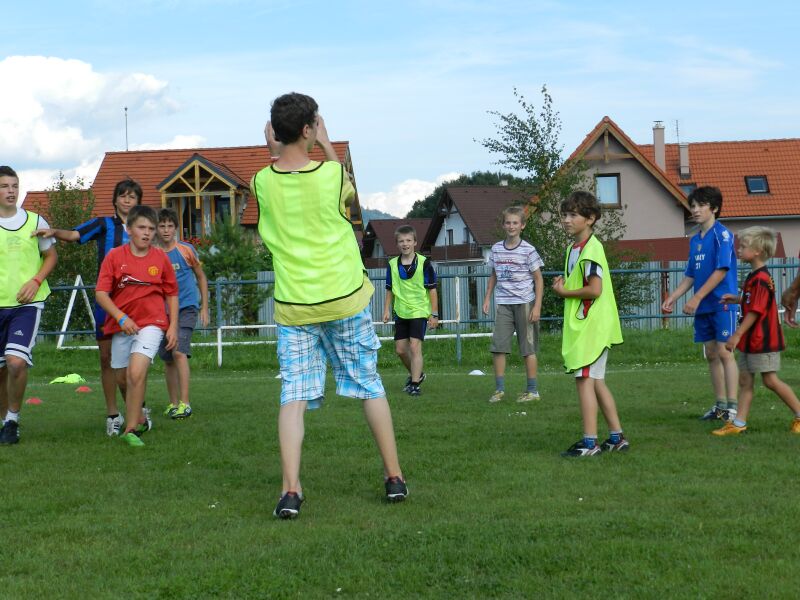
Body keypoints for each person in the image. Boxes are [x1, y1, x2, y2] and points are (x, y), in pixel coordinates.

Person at [251, 92, 407, 519]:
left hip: (295, 305)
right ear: (309, 129)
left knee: (293, 395)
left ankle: (290, 491)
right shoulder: (333, 173)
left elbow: (279, 176)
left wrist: (275, 151)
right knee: (369, 385)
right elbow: (348, 196)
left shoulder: (261, 181)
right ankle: (394, 477)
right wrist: (326, 143)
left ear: (274, 131)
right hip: (343, 297)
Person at [34, 179, 145, 435]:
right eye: (123, 196)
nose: (127, 200)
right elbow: (75, 235)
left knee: (134, 361)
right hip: (107, 301)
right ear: (115, 200)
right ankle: (113, 415)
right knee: (106, 359)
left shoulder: (143, 227)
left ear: (138, 202)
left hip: (136, 302)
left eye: (132, 197)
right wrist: (53, 232)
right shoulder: (103, 224)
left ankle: (138, 408)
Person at [95, 206, 178, 447]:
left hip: (152, 323)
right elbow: (101, 294)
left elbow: (172, 293)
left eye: (151, 229)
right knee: (122, 378)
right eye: (142, 227)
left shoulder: (160, 258)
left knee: (135, 373)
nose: (147, 233)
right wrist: (121, 318)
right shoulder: (114, 257)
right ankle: (140, 415)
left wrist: (173, 326)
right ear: (129, 229)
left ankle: (131, 429)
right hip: (121, 326)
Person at [552, 191, 627, 457]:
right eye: (564, 215)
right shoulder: (573, 249)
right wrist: (565, 285)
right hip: (589, 326)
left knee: (584, 380)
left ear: (590, 218)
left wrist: (564, 293)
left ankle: (590, 442)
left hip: (592, 327)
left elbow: (595, 290)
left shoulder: (592, 249)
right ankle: (617, 438)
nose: (566, 220)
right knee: (595, 381)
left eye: (573, 215)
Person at [661, 186, 739, 421]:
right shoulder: (695, 240)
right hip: (704, 306)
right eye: (693, 205)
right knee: (711, 354)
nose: (695, 210)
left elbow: (721, 270)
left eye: (701, 205)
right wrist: (673, 296)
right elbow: (691, 275)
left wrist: (696, 298)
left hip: (722, 303)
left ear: (714, 208)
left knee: (725, 352)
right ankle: (720, 406)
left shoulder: (722, 235)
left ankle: (732, 408)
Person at [713, 227, 800, 435]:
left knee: (770, 380)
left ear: (758, 251)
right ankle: (738, 424)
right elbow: (752, 301)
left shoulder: (761, 278)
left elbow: (755, 311)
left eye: (743, 246)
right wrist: (737, 299)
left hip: (763, 340)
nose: (739, 249)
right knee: (745, 381)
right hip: (751, 340)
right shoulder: (754, 276)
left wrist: (736, 334)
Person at [0, 166, 58, 444]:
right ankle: (4, 422)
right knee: (2, 369)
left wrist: (36, 281)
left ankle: (13, 419)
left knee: (16, 362)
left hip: (27, 305)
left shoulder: (35, 220)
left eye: (14, 185)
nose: (11, 191)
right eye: (4, 186)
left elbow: (51, 256)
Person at [481, 205, 544, 403]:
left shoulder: (529, 250)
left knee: (528, 349)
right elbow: (494, 275)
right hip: (504, 304)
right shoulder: (496, 249)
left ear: (522, 225)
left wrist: (537, 306)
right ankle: (499, 390)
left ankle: (532, 391)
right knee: (498, 347)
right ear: (503, 225)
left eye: (515, 223)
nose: (511, 226)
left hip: (525, 303)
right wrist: (487, 298)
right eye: (508, 222)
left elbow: (538, 279)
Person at [155, 208, 209, 419]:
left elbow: (201, 277)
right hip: (163, 313)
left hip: (186, 308)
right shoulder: (153, 254)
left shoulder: (186, 250)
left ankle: (185, 403)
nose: (166, 230)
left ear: (176, 228)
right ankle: (173, 402)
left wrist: (204, 307)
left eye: (170, 226)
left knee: (179, 352)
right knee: (168, 358)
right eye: (162, 226)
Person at [382, 225, 439, 396]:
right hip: (401, 311)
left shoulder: (424, 263)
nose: (405, 244)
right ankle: (418, 375)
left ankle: (414, 385)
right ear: (397, 244)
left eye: (408, 240)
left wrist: (434, 314)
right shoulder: (392, 264)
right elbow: (389, 289)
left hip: (419, 311)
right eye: (401, 241)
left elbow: (432, 290)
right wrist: (386, 310)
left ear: (415, 242)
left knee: (414, 347)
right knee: (400, 350)